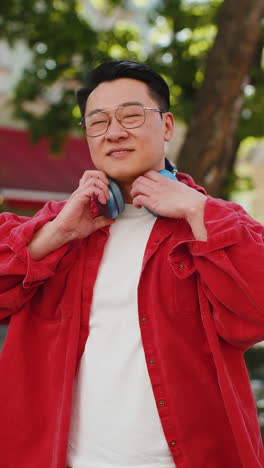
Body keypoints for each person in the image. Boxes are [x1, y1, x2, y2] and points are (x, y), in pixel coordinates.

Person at [0, 59, 264, 468]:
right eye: (98, 122)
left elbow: (256, 312)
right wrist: (56, 235)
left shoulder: (215, 224)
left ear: (168, 127)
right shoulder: (57, 226)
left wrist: (199, 210)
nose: (115, 131)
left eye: (131, 115)